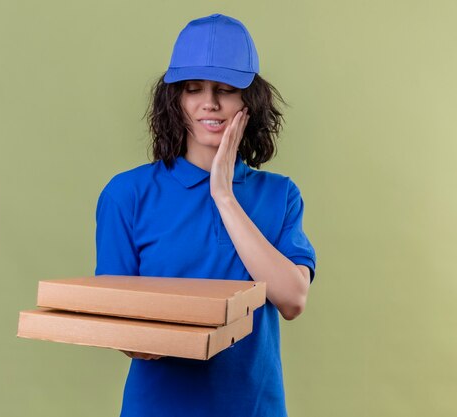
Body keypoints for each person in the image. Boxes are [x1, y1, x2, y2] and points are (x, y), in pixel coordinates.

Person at [95, 13, 316, 417]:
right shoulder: (127, 195)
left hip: (254, 408)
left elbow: (292, 299)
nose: (209, 103)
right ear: (175, 99)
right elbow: (120, 326)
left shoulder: (280, 195)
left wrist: (224, 196)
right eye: (193, 89)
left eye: (226, 90)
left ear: (249, 102)